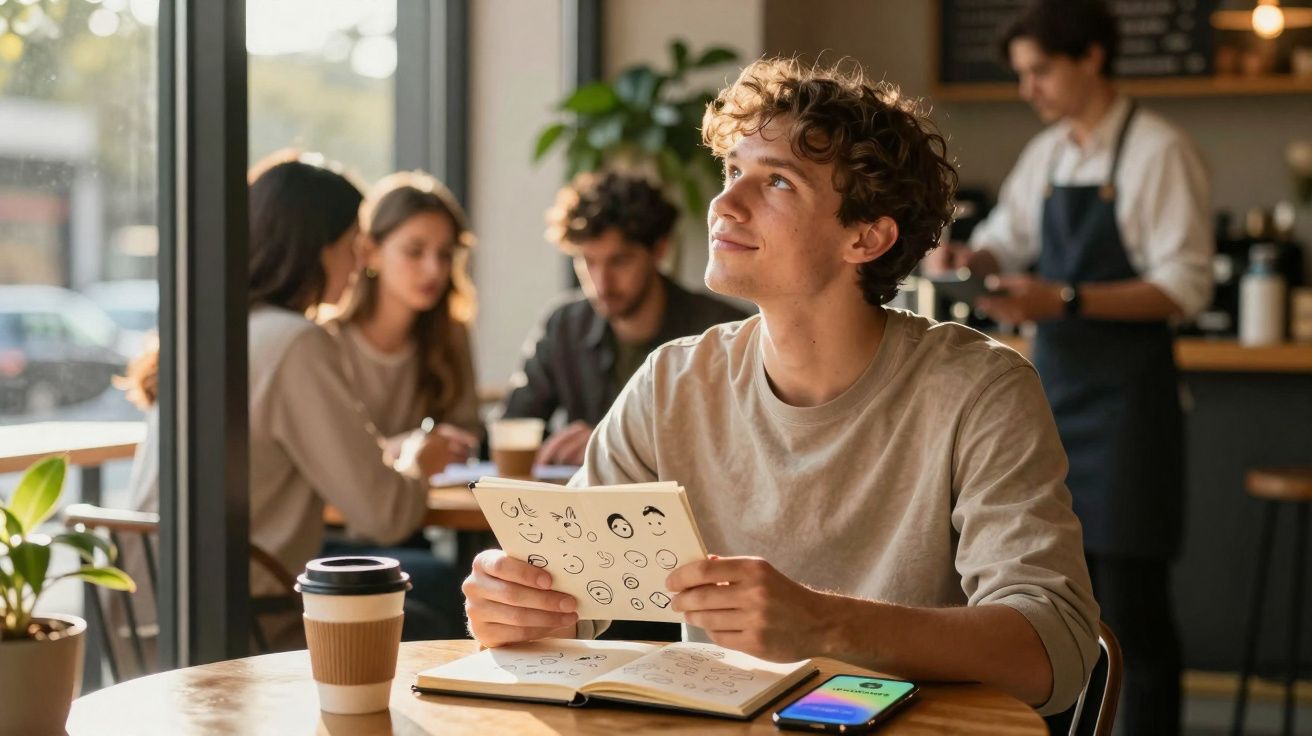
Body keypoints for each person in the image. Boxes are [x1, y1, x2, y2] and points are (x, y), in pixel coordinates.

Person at [463, 58, 1100, 717]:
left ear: (868, 235)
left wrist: (823, 624)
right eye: (733, 171)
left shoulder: (980, 390)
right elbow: (566, 605)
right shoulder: (672, 383)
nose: (723, 204)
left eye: (776, 183)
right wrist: (517, 607)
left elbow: (1052, 651)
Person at [929, 3, 1212, 732]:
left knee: (1134, 611)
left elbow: (1185, 286)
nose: (1029, 89)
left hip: (1128, 413)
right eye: (1020, 74)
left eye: (1041, 70)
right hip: (1053, 401)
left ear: (1091, 58)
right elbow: (1007, 239)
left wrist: (1065, 297)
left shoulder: (1157, 151)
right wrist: (971, 259)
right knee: (1051, 599)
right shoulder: (1050, 155)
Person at [501, 171, 748, 467]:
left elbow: (741, 445)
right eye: (588, 261)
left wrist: (611, 445)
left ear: (659, 250)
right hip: (582, 507)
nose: (601, 282)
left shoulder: (721, 331)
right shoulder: (564, 326)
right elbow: (515, 426)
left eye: (619, 261)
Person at [325, 171, 481, 479]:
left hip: (422, 516)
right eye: (414, 252)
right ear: (370, 252)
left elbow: (468, 429)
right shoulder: (327, 339)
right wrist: (400, 448)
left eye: (445, 254)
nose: (433, 269)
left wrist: (454, 443)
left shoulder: (450, 334)